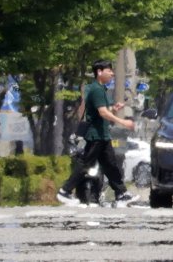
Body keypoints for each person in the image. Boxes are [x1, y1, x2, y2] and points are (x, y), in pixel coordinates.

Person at [56, 60, 139, 206]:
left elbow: (101, 111)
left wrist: (114, 108)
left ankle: (121, 194)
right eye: (109, 70)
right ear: (99, 72)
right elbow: (102, 113)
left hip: (102, 135)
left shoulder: (99, 89)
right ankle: (65, 191)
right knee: (85, 165)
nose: (112, 73)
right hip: (96, 136)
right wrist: (123, 122)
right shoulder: (96, 89)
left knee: (111, 166)